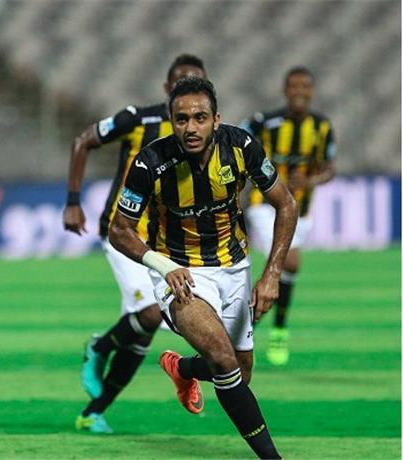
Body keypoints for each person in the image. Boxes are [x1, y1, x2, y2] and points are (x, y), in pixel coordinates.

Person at [109, 77, 296, 459]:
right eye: (182, 119)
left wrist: (271, 274)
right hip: (181, 275)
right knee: (224, 360)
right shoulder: (150, 162)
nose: (191, 127)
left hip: (234, 268)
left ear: (216, 119)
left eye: (200, 118)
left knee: (240, 372)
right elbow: (119, 230)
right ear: (171, 121)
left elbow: (286, 204)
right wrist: (162, 265)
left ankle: (183, 369)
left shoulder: (241, 147)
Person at [63, 54, 206, 433]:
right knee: (151, 314)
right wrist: (73, 201)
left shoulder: (206, 135)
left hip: (165, 242)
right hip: (123, 232)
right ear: (167, 88)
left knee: (142, 331)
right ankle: (98, 348)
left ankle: (94, 412)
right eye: (181, 83)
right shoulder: (137, 120)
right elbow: (82, 141)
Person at [241, 66, 336, 366]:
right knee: (289, 260)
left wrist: (309, 181)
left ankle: (258, 328)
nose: (299, 91)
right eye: (293, 86)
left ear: (312, 91)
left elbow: (329, 168)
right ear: (285, 90)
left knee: (281, 270)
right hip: (263, 204)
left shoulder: (321, 127)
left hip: (300, 210)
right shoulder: (264, 122)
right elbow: (234, 144)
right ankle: (263, 330)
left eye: (304, 86)